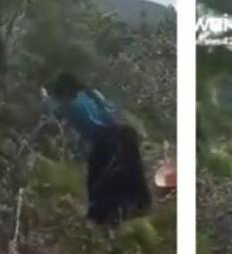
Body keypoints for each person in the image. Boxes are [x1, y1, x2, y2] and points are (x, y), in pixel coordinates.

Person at [41, 72, 151, 226]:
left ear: (65, 91)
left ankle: (106, 218)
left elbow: (54, 110)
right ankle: (134, 208)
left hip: (107, 139)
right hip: (120, 133)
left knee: (99, 183)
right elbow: (110, 114)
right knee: (128, 171)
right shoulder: (91, 95)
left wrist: (44, 97)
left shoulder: (70, 105)